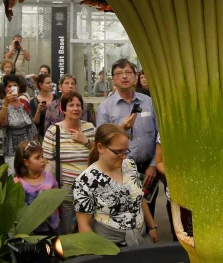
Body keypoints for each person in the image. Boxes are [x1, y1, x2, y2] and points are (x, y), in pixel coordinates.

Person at [73, 124, 160, 246]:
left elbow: (139, 198)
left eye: (125, 151)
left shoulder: (129, 165)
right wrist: (98, 250)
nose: (123, 157)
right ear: (100, 147)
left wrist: (152, 226)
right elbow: (84, 226)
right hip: (109, 245)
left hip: (139, 238)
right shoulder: (85, 181)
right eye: (118, 152)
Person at [96, 58, 159, 216]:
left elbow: (160, 136)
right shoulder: (105, 107)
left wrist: (153, 165)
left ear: (135, 77)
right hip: (119, 169)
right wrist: (121, 128)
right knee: (124, 215)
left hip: (148, 170)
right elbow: (101, 142)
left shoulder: (149, 103)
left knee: (147, 214)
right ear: (113, 79)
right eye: (119, 73)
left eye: (128, 72)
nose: (124, 76)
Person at [43, 91, 96, 234]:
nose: (76, 108)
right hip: (65, 189)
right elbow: (46, 161)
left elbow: (101, 153)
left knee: (87, 228)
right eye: (71, 105)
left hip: (90, 188)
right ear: (63, 109)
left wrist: (85, 141)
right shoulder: (54, 131)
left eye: (78, 105)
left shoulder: (90, 128)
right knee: (66, 228)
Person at [14, 140, 60, 235]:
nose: (42, 160)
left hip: (52, 228)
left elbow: (57, 196)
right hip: (29, 232)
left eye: (42, 156)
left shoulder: (49, 178)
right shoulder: (18, 183)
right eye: (37, 158)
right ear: (26, 162)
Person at [0, 74, 38, 175]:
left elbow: (32, 126)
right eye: (9, 86)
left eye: (14, 85)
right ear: (5, 89)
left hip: (28, 148)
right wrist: (6, 103)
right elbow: (2, 123)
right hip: (11, 150)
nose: (12, 88)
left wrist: (36, 145)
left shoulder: (24, 103)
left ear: (19, 88)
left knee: (29, 176)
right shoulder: (1, 103)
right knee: (14, 177)